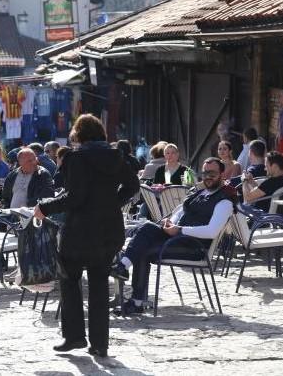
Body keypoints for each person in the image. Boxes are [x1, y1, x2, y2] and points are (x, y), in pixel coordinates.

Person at [34, 114, 139, 358]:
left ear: (79, 135)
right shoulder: (116, 156)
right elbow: (133, 185)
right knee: (100, 285)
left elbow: (75, 197)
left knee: (69, 281)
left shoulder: (77, 158)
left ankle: (74, 337)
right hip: (108, 230)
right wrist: (113, 203)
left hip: (80, 231)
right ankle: (100, 343)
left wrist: (45, 207)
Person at [111, 157, 233, 315]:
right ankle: (123, 268)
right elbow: (181, 212)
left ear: (222, 174)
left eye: (212, 173)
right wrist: (170, 223)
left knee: (143, 249)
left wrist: (180, 229)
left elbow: (212, 231)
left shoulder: (224, 201)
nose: (208, 177)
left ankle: (136, 300)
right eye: (205, 173)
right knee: (148, 227)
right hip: (177, 239)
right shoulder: (200, 193)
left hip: (195, 248)